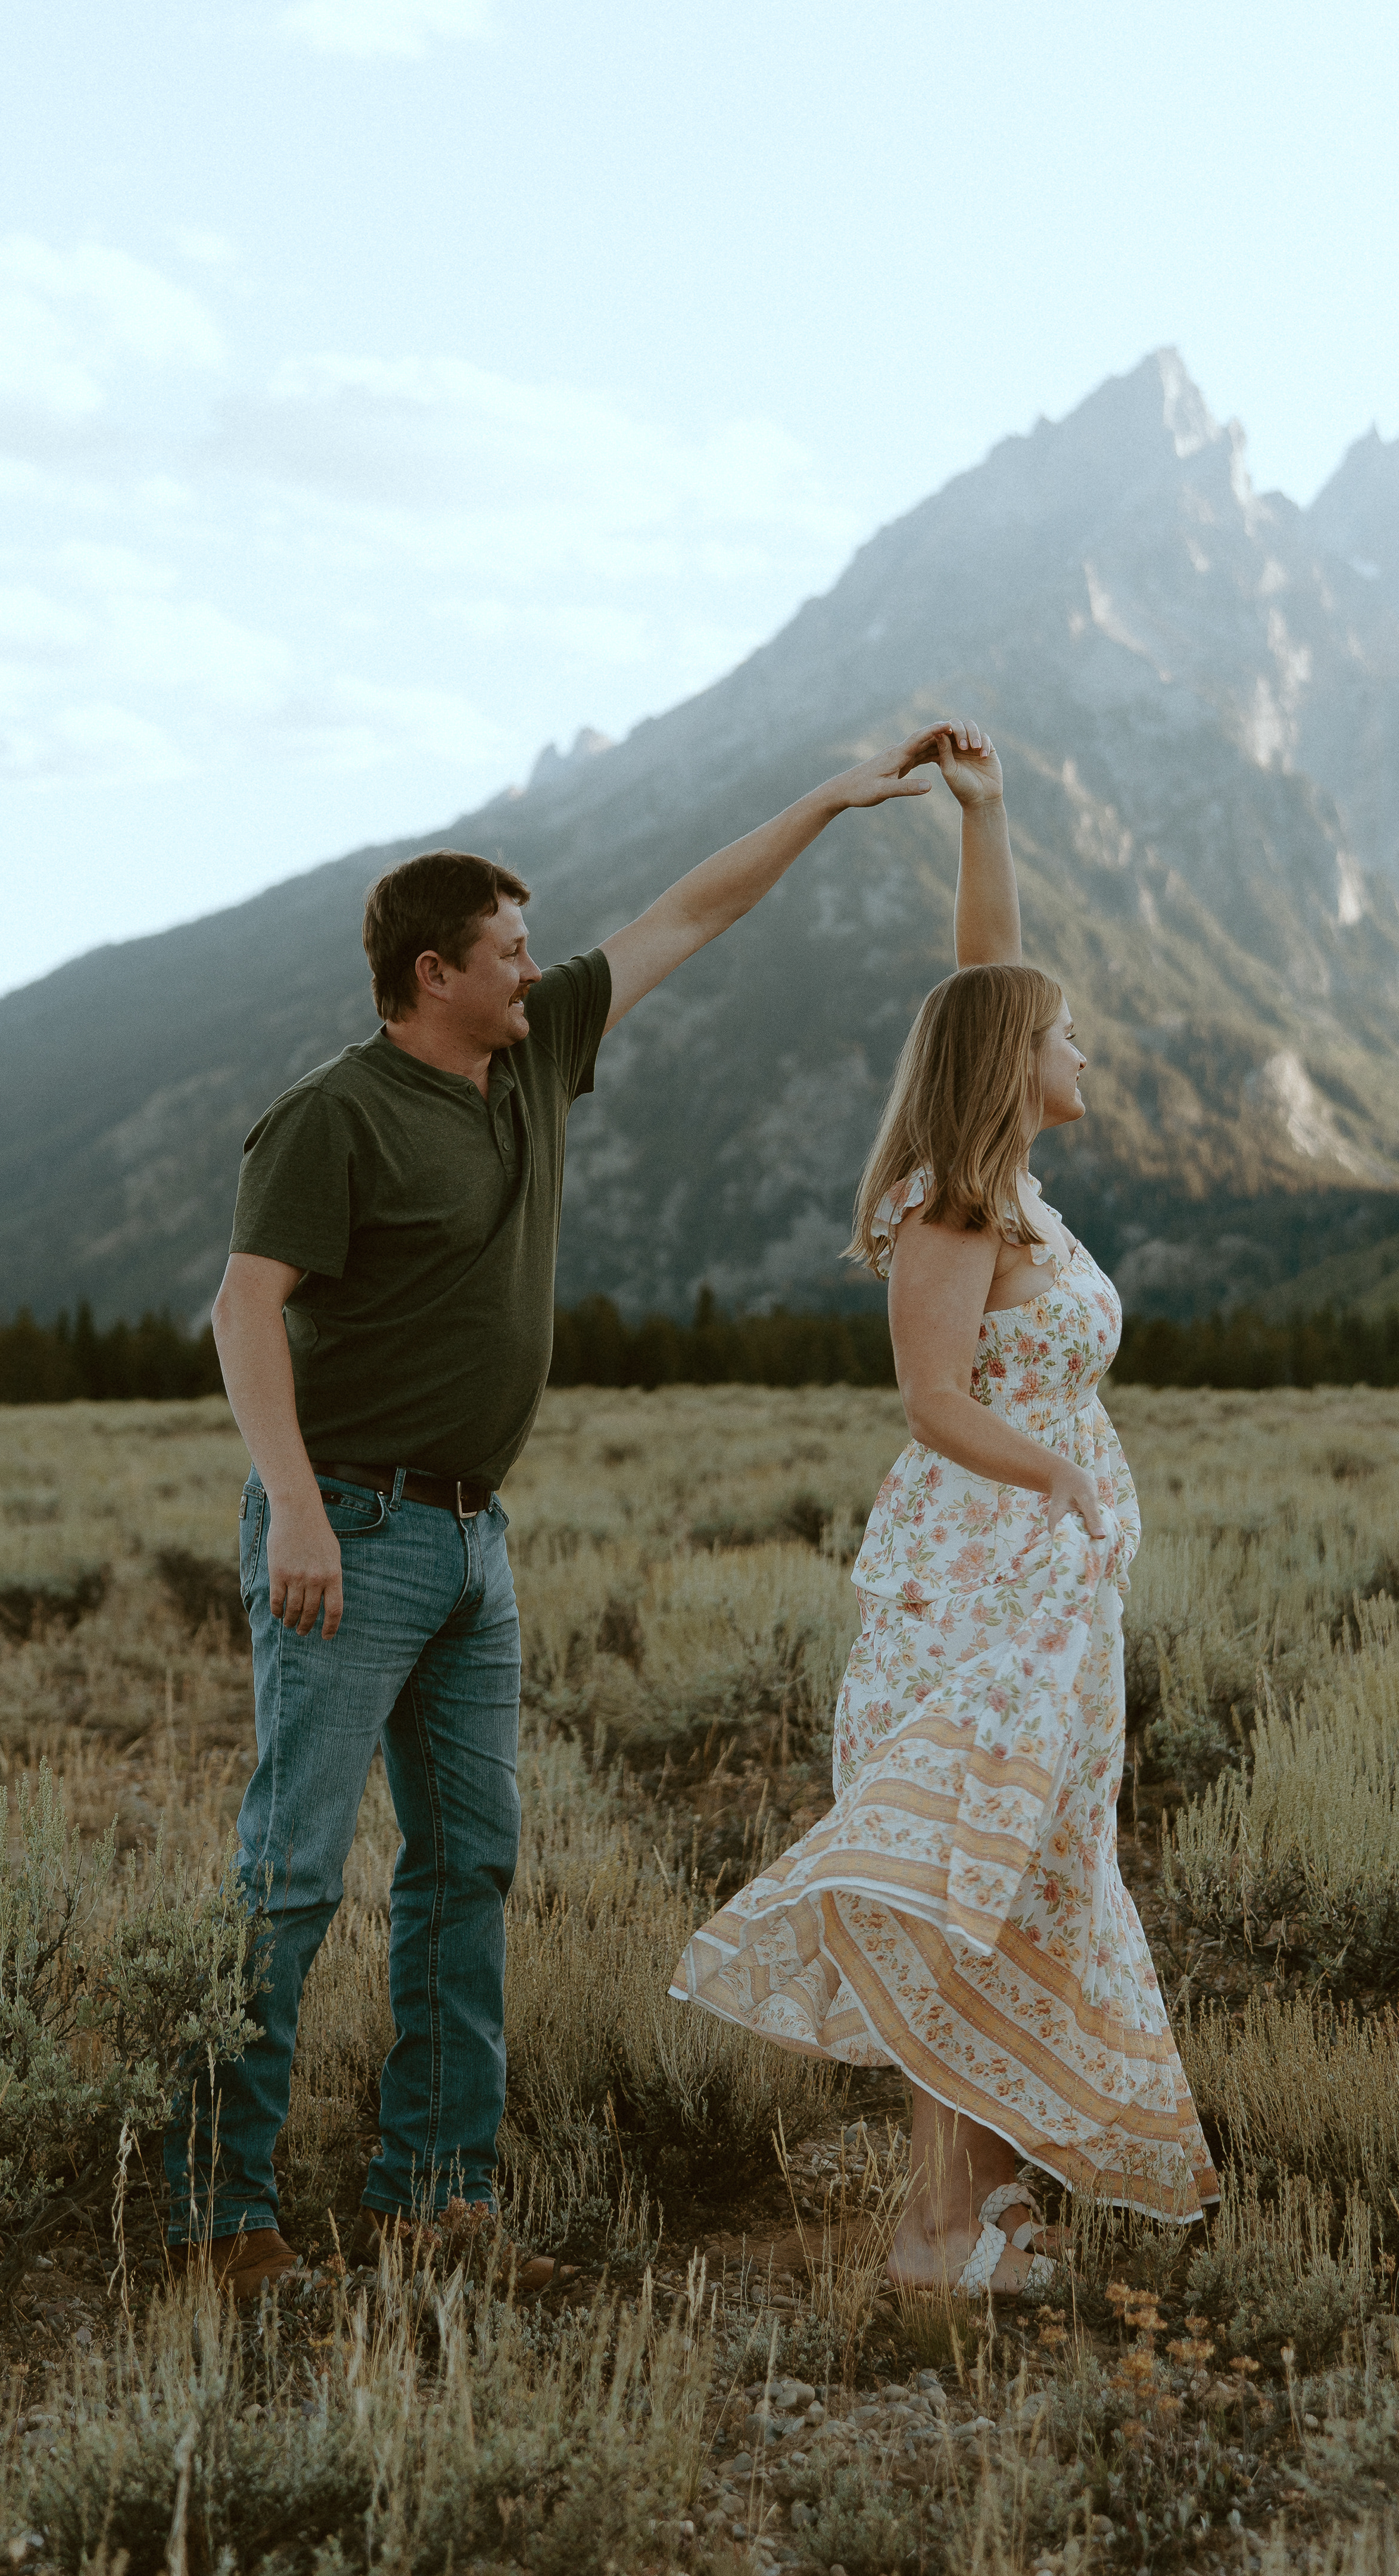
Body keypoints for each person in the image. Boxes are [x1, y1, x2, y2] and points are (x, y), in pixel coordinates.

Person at [166, 721, 1007, 2300]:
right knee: (288, 1876)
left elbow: (693, 913)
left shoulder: (535, 1052)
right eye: (509, 952)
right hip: (346, 1529)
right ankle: (219, 2219)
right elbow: (242, 1309)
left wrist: (828, 797)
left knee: (464, 1868)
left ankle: (435, 2197)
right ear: (433, 976)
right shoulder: (331, 1120)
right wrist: (291, 1507)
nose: (536, 970)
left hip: (475, 1542)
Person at [672, 740, 1218, 2290]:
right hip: (968, 1592)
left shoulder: (1020, 1188)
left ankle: (984, 2207)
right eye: (1072, 1041)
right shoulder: (950, 1208)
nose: (1088, 1054)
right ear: (1018, 1067)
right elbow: (931, 1402)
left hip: (1054, 1601)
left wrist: (989, 814)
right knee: (949, 1881)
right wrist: (1057, 1475)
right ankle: (931, 2229)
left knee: (1034, 1878)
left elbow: (990, 981)